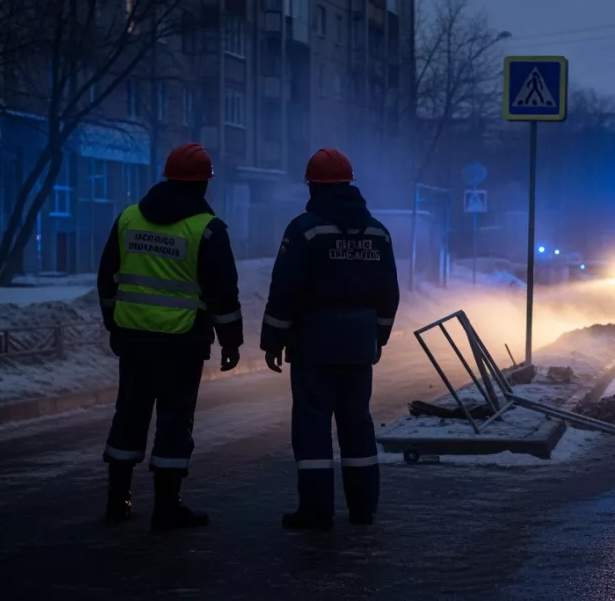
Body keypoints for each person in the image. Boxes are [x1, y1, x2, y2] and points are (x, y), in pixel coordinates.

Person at [97, 142, 243, 530]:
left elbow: (107, 278)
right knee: (175, 420)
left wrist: (114, 323)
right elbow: (222, 293)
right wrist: (231, 341)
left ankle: (118, 499)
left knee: (129, 413)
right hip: (182, 343)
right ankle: (166, 507)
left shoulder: (129, 218)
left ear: (166, 177)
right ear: (204, 184)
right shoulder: (207, 230)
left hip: (134, 339)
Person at [260, 147, 400, 531]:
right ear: (350, 185)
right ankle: (363, 508)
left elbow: (285, 288)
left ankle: (316, 511)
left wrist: (273, 338)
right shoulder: (377, 232)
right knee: (357, 422)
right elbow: (389, 292)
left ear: (313, 186)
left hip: (313, 342)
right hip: (358, 343)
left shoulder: (305, 229)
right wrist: (379, 335)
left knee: (312, 424)